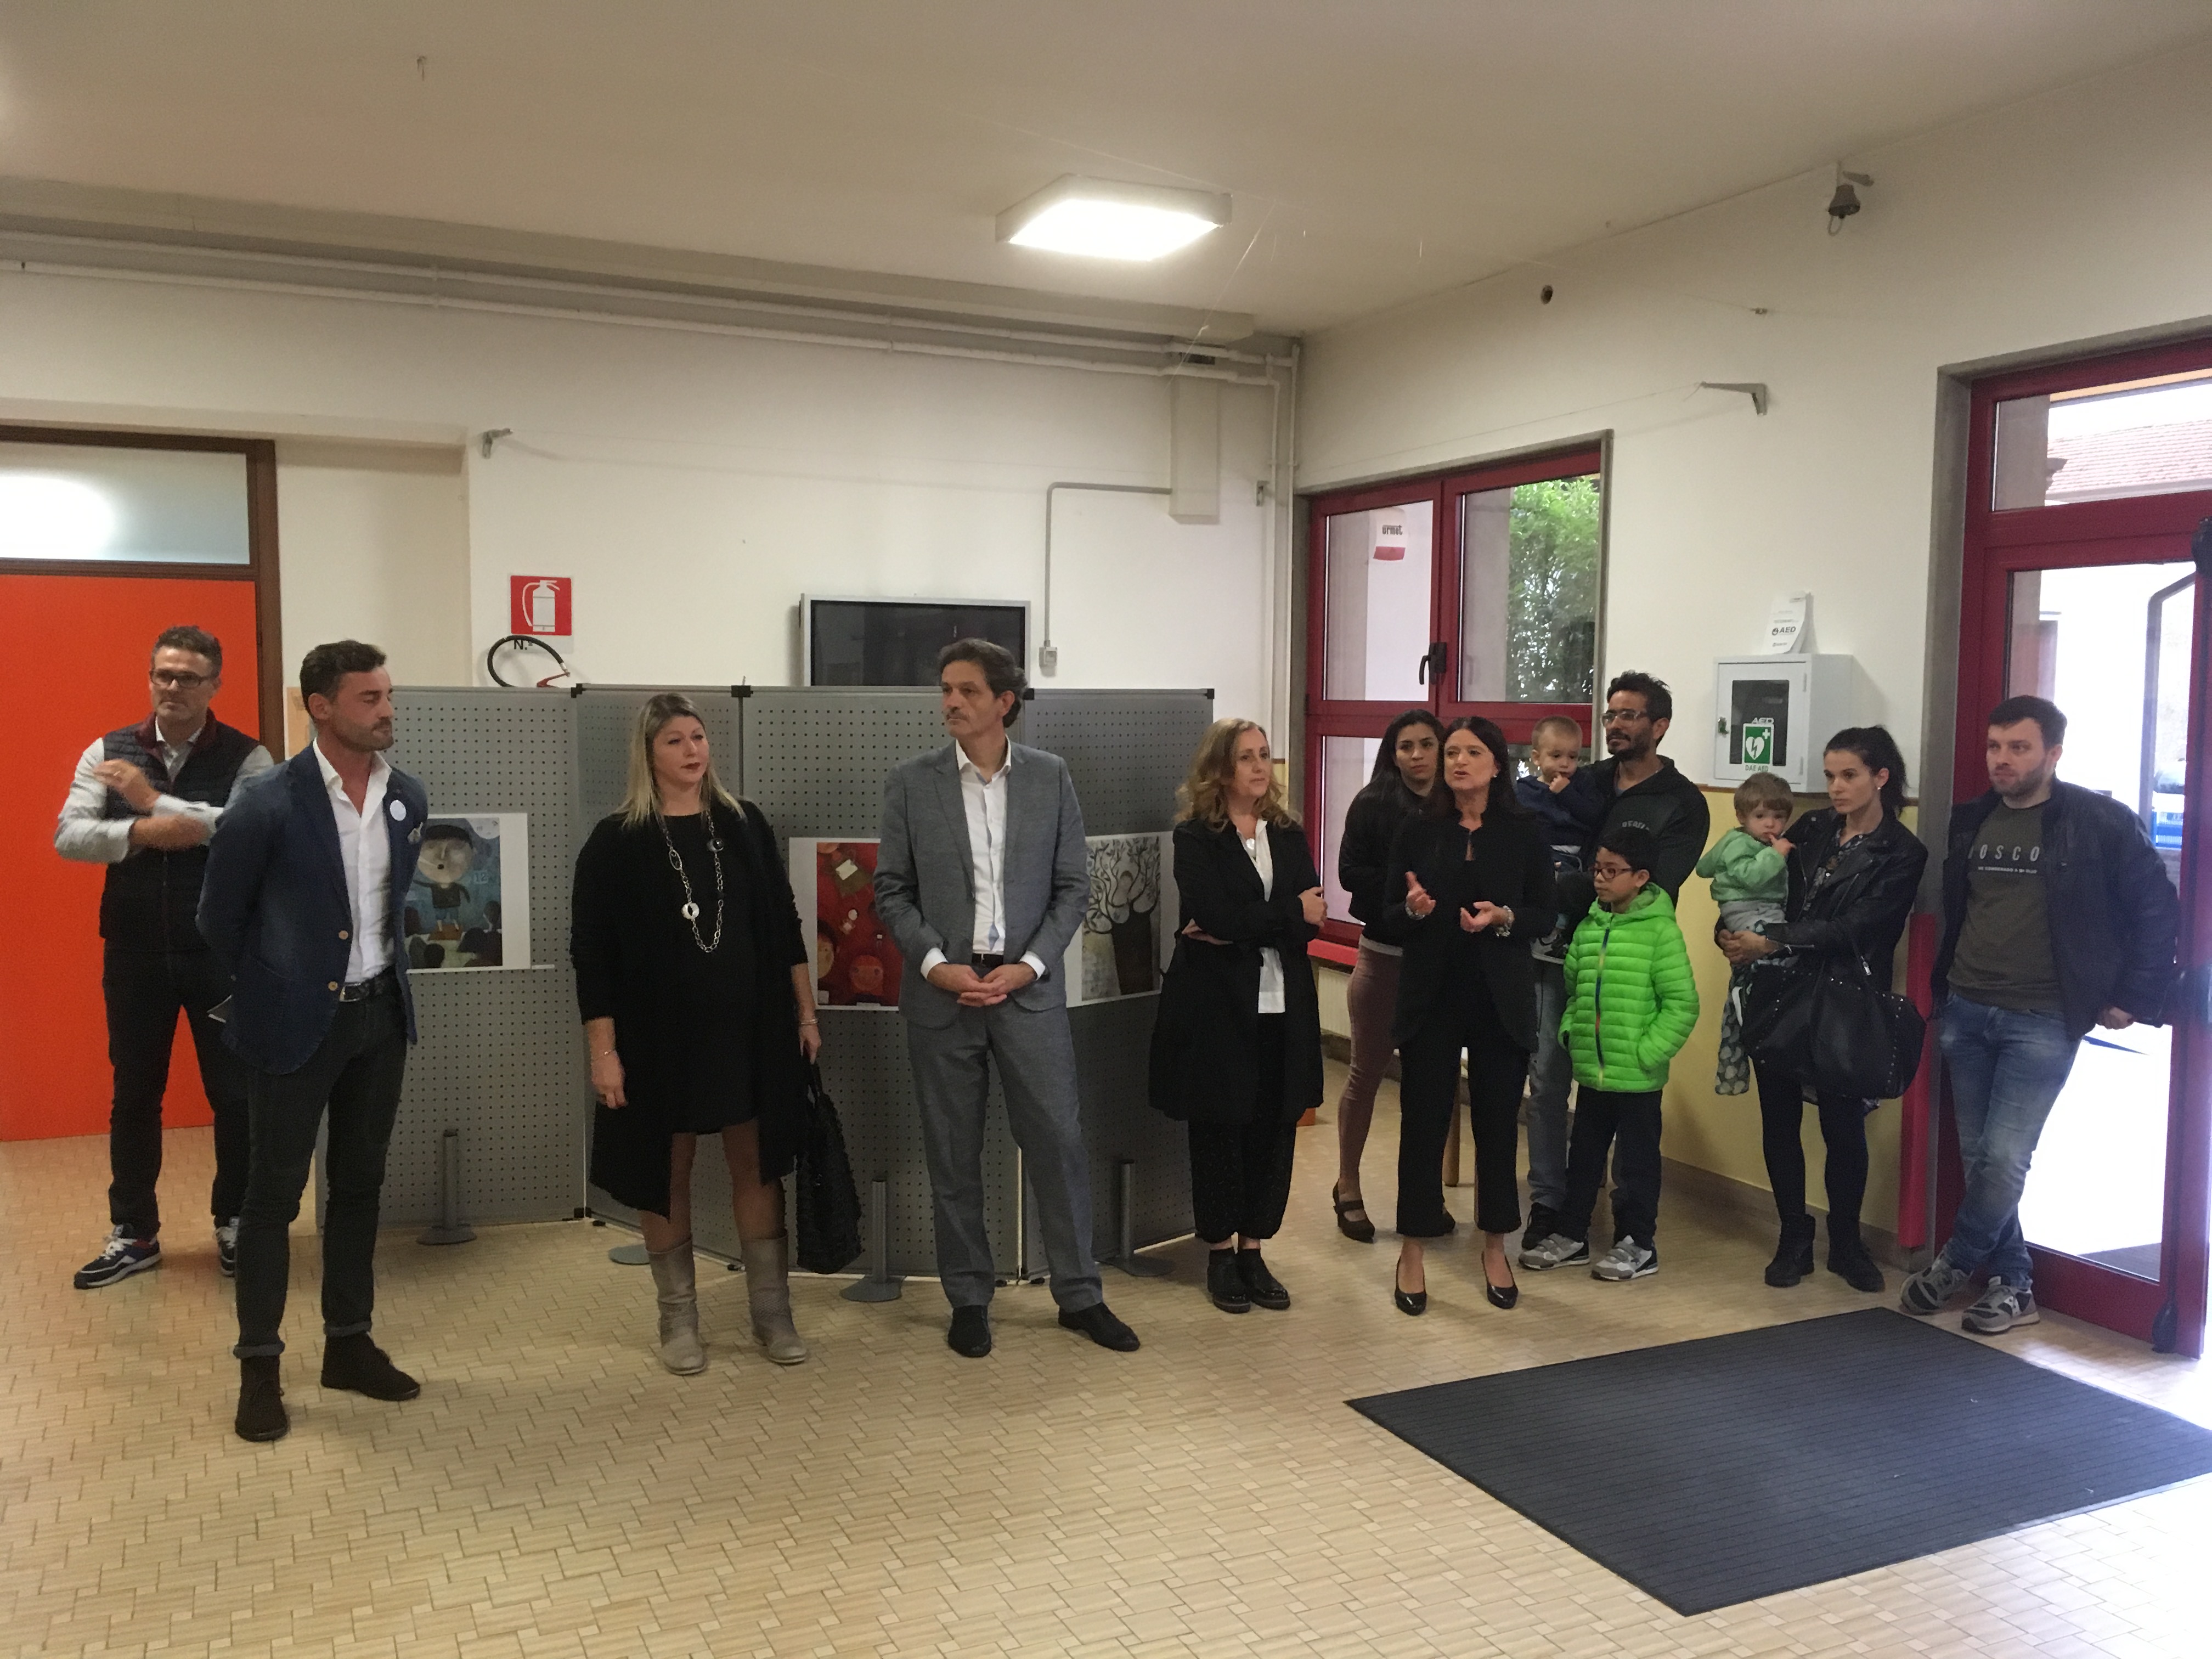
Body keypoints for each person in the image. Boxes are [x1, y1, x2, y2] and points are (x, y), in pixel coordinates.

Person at [875, 639, 1139, 1358]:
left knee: (1059, 1145)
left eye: (966, 690)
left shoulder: (1051, 778)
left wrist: (1029, 966)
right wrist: (936, 965)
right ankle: (969, 1298)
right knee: (953, 1154)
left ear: (1004, 702)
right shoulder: (912, 783)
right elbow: (891, 890)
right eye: (945, 689)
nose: (950, 702)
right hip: (945, 998)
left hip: (1028, 993)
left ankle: (1080, 1295)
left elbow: (1073, 888)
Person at [199, 641, 426, 1443]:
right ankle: (260, 1368)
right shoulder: (267, 801)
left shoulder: (406, 797)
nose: (387, 710)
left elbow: (390, 908)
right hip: (294, 1024)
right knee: (273, 1197)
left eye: (387, 695)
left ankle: (349, 1346)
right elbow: (218, 918)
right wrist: (278, 986)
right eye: (369, 698)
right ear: (320, 707)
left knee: (360, 1187)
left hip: (379, 1018)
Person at [1903, 696, 2179, 1335]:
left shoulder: (2100, 822)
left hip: (2044, 1016)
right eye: (1995, 747)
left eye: (2019, 748)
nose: (2002, 760)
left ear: (2053, 754)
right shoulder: (1972, 819)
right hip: (1968, 1006)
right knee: (1981, 1159)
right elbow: (1961, 907)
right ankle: (2014, 1284)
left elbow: (2156, 908)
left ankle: (1954, 1263)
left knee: (2004, 1158)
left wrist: (2134, 994)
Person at [572, 693, 821, 1375]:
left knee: (757, 1165)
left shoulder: (743, 824)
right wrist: (604, 1052)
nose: (693, 750)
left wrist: (805, 1014)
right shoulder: (615, 841)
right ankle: (678, 1319)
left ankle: (772, 1316)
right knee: (666, 1170)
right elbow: (592, 957)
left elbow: (785, 926)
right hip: (656, 1040)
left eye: (699, 737)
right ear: (648, 755)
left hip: (751, 1030)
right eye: (676, 741)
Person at [55, 625, 273, 1289]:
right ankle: (134, 1232)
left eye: (188, 678)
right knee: (134, 1094)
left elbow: (249, 834)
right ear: (151, 678)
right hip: (134, 951)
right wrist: (148, 830)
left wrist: (152, 802)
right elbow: (69, 836)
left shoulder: (249, 757)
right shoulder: (109, 750)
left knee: (234, 1095)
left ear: (214, 685)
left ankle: (235, 1222)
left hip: (220, 955)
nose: (173, 687)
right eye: (163, 675)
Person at [1716, 731, 1928, 1292]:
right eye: (1831, 775)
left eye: (1849, 775)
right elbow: (1757, 889)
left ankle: (1848, 1244)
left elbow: (1860, 928)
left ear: (1881, 777)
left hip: (1844, 1000)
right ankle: (1793, 1236)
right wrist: (1732, 932)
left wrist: (1774, 939)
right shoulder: (1811, 828)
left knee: (1843, 1126)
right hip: (1776, 990)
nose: (1835, 787)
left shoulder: (1902, 851)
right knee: (1779, 1120)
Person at [1149, 720, 1325, 1314]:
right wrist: (1281, 914)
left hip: (1283, 1005)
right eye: (1246, 757)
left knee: (1274, 1128)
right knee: (1220, 1128)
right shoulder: (1196, 837)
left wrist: (1253, 922)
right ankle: (1220, 1253)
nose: (1259, 767)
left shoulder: (1289, 834)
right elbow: (1215, 915)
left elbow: (1313, 918)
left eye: (1265, 755)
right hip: (1218, 1007)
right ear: (1221, 769)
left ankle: (1254, 1248)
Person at [1385, 716, 1556, 1315]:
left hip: (1498, 999)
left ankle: (1495, 1247)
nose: (1458, 762)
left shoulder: (1525, 831)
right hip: (1432, 995)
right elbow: (1385, 910)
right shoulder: (1417, 827)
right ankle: (1412, 1250)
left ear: (1496, 764)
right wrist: (1412, 908)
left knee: (1497, 1127)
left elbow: (1544, 915)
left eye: (1472, 752)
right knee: (1423, 1124)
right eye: (1452, 752)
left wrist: (1504, 917)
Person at [1521, 827, 1700, 1280]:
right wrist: (1572, 1033)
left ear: (1640, 877)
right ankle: (1572, 1235)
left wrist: (1647, 1052)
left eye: (1612, 871)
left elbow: (1682, 1005)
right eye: (1597, 869)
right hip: (1593, 1073)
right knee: (1583, 1159)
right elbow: (1575, 991)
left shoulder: (1661, 933)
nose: (1599, 879)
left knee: (1637, 1165)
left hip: (1638, 1078)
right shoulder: (1589, 927)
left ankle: (1638, 1243)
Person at [1330, 708, 1442, 1242]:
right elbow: (1348, 873)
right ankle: (1347, 1184)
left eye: (1427, 744)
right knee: (1365, 1076)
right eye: (1406, 746)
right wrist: (1407, 892)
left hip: (1435, 964)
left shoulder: (1455, 802)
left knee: (1429, 1086)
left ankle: (1423, 1198)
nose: (1417, 755)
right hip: (1383, 956)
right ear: (1392, 754)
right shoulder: (1373, 802)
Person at [1513, 713, 1605, 1249]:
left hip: (1592, 954)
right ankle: (1547, 1199)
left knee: (1597, 1081)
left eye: (1574, 757)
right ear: (1535, 758)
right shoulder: (1523, 800)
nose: (1565, 766)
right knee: (1547, 1078)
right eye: (1555, 757)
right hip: (1538, 954)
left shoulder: (1588, 798)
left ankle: (1584, 1199)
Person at [1697, 769, 1795, 1097]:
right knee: (1774, 966)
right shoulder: (1747, 845)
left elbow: (1704, 867)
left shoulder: (1732, 840)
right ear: (1742, 816)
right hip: (1752, 912)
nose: (1770, 825)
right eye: (1761, 816)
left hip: (1741, 913)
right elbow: (1753, 877)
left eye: (1778, 817)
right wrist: (1776, 855)